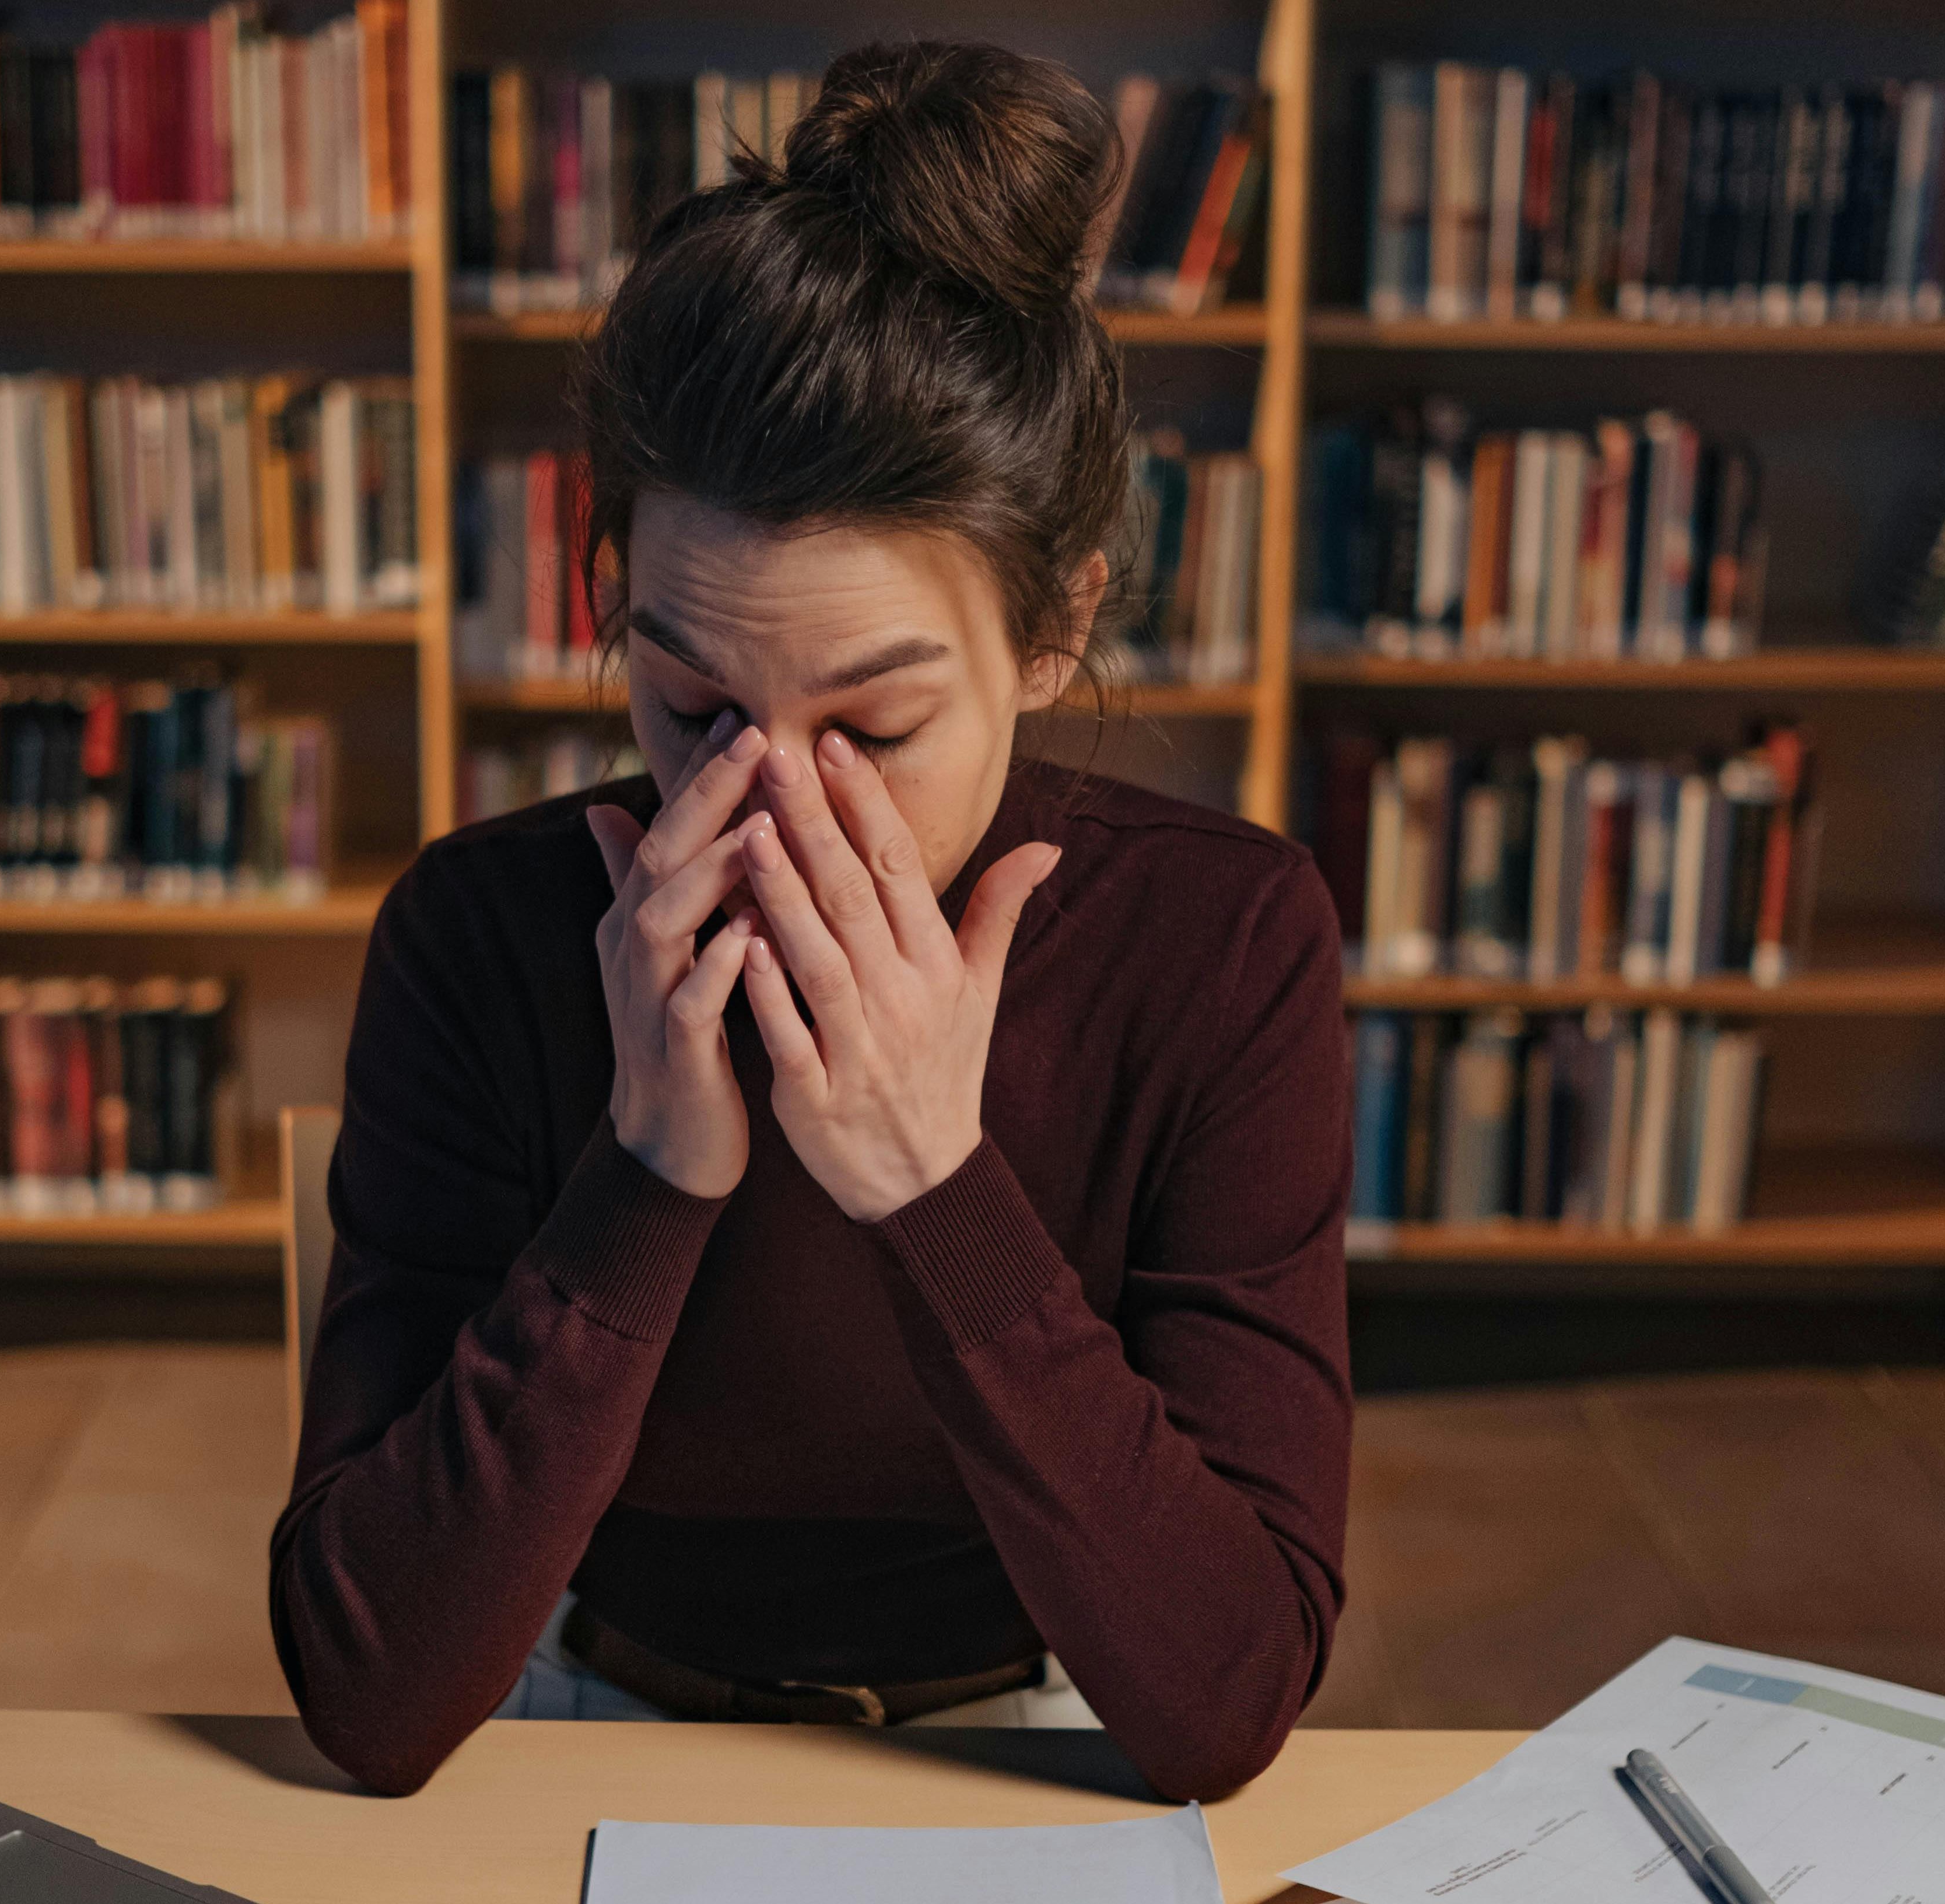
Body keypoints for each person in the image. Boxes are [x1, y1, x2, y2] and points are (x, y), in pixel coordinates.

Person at [271, 40, 1351, 1801]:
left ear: (1054, 630)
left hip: (1034, 1753)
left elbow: (1224, 1699)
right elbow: (372, 1694)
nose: (770, 805)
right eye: (692, 703)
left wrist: (937, 1186)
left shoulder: (1221, 946)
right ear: (610, 598)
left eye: (875, 727)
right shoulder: (484, 936)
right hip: (584, 1725)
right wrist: (645, 1176)